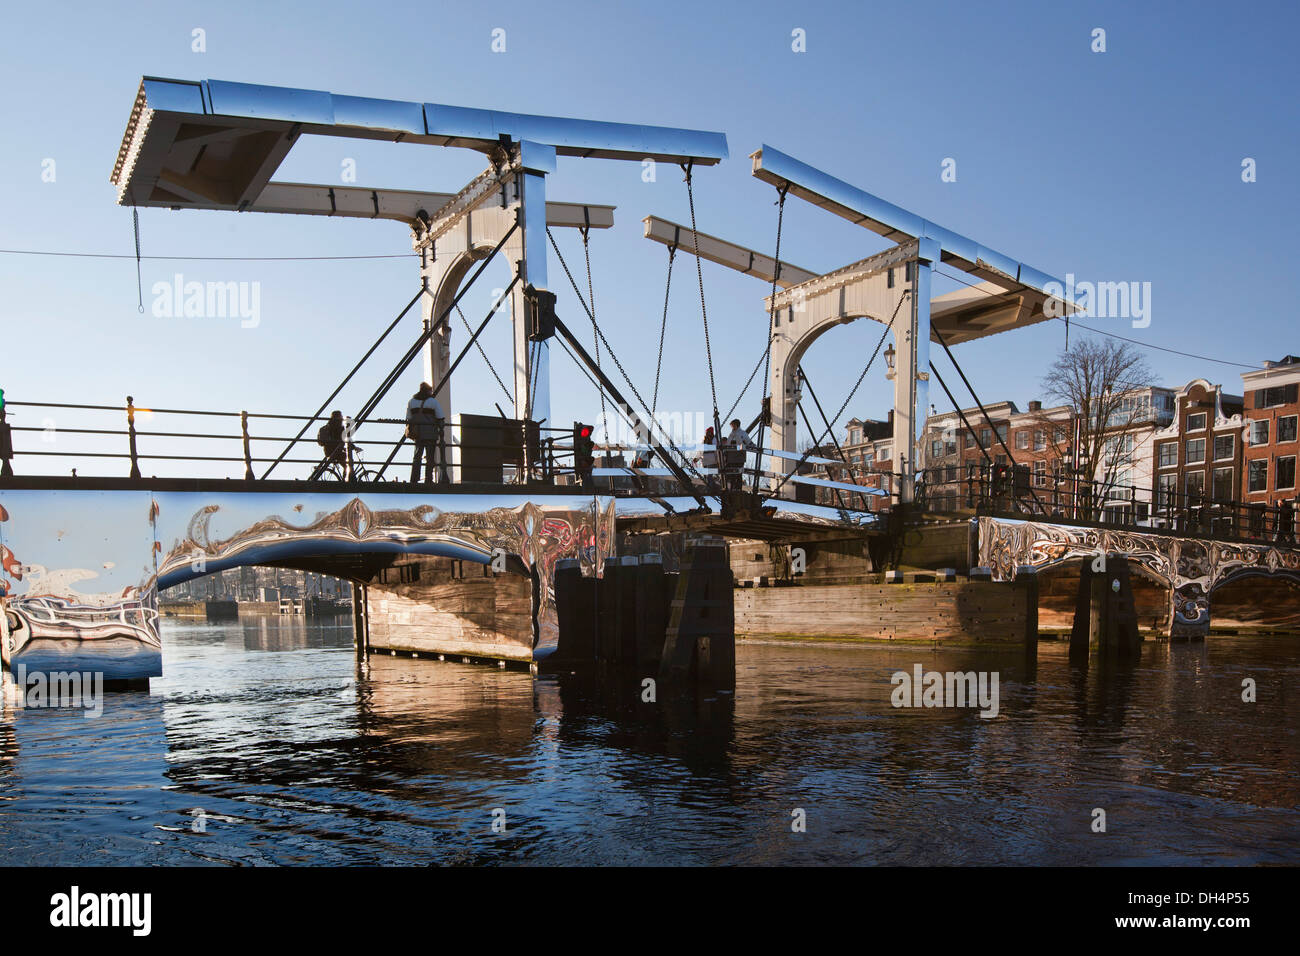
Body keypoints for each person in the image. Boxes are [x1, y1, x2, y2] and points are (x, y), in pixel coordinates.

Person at [406, 383, 445, 483]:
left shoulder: (412, 401)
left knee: (417, 457)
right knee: (430, 458)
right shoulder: (432, 401)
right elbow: (440, 417)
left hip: (418, 434)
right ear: (428, 391)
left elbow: (409, 418)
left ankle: (414, 479)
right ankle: (428, 479)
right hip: (430, 433)